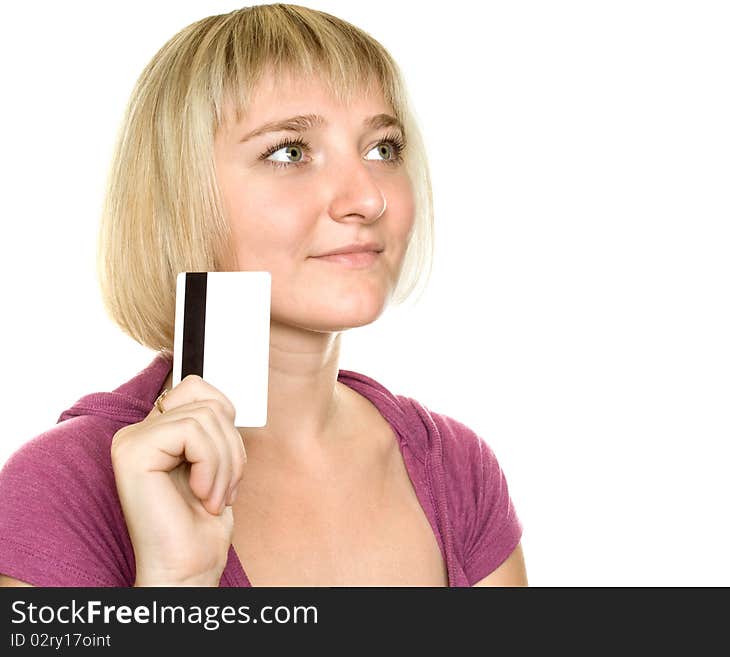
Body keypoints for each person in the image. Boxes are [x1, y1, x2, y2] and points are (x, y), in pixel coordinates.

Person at [0, 3, 526, 587]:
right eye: (290, 152)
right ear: (180, 197)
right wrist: (177, 592)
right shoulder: (62, 487)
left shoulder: (457, 468)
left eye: (383, 148)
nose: (367, 198)